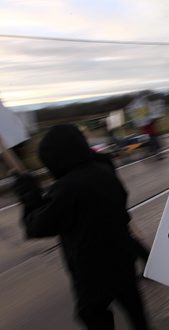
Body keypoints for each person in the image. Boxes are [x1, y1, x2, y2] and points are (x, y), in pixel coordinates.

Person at [13, 124, 149, 330]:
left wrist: (30, 196)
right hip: (122, 259)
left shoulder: (66, 188)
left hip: (90, 269)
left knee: (93, 315)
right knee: (135, 311)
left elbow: (37, 226)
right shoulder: (104, 172)